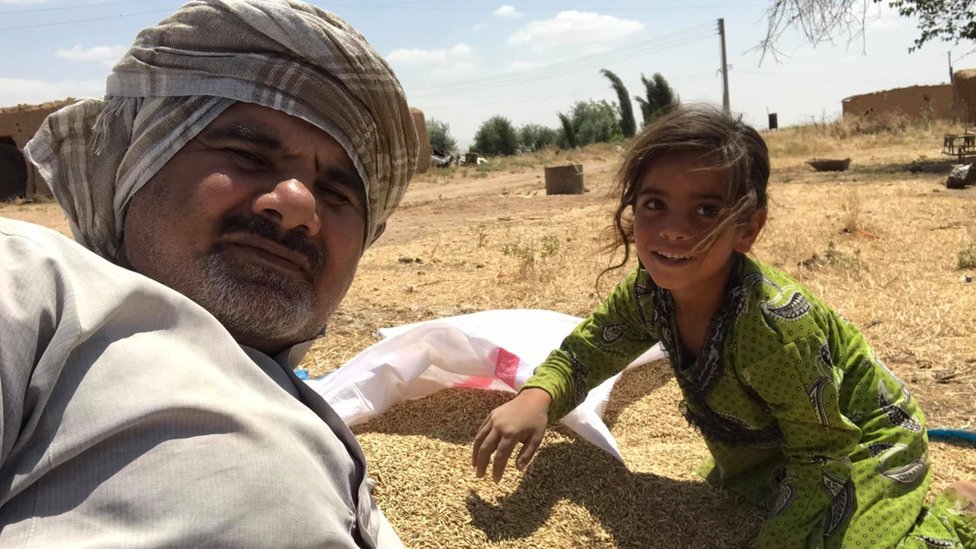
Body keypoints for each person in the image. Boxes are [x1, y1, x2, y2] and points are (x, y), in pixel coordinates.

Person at [0, 1, 417, 546]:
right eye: (247, 154)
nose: (296, 204)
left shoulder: (319, 430)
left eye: (337, 192)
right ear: (135, 163)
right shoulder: (35, 285)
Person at [472, 104, 976, 548]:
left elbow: (822, 452)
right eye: (655, 204)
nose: (673, 227)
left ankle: (956, 514)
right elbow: (585, 355)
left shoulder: (776, 331)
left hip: (858, 439)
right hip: (770, 445)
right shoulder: (647, 293)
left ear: (747, 229)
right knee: (739, 506)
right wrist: (534, 398)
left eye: (707, 209)